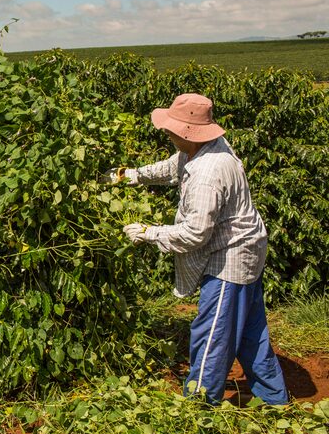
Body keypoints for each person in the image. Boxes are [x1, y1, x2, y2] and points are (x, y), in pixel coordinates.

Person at [108, 93, 288, 405]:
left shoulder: (208, 174)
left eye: (171, 127)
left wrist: (149, 233)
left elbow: (195, 233)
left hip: (231, 258)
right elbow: (173, 166)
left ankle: (200, 406)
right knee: (249, 330)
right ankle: (274, 398)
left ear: (187, 132)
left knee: (213, 333)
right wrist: (135, 175)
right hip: (247, 247)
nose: (166, 131)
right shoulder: (203, 148)